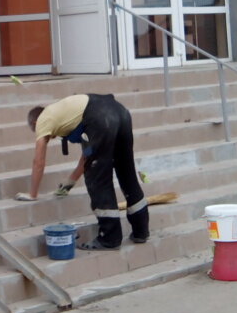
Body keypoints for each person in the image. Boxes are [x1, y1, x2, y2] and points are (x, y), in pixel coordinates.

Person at [16, 94, 149, 250]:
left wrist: (33, 194)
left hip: (101, 117)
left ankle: (109, 238)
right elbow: (88, 155)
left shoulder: (43, 119)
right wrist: (70, 182)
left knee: (98, 180)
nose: (49, 137)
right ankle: (141, 231)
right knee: (127, 173)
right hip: (120, 112)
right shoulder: (67, 114)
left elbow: (38, 162)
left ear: (35, 123)